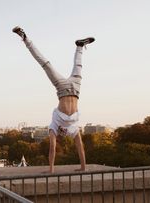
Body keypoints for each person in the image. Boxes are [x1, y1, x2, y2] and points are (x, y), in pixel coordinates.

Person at [12, 26, 94, 173]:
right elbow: (80, 147)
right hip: (76, 90)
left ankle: (25, 38)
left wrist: (51, 170)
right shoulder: (74, 128)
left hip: (62, 89)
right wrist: (83, 168)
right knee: (78, 66)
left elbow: (52, 148)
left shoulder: (54, 126)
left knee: (45, 64)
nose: (61, 135)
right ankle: (80, 47)